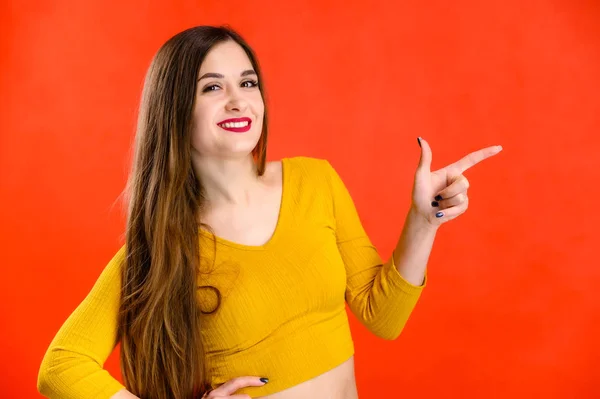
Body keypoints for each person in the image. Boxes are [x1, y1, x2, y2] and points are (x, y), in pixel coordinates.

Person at [37, 25, 502, 399]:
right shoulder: (162, 249)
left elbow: (383, 317)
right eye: (212, 87)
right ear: (174, 110)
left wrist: (423, 220)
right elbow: (60, 366)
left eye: (248, 82)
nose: (238, 99)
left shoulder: (314, 181)